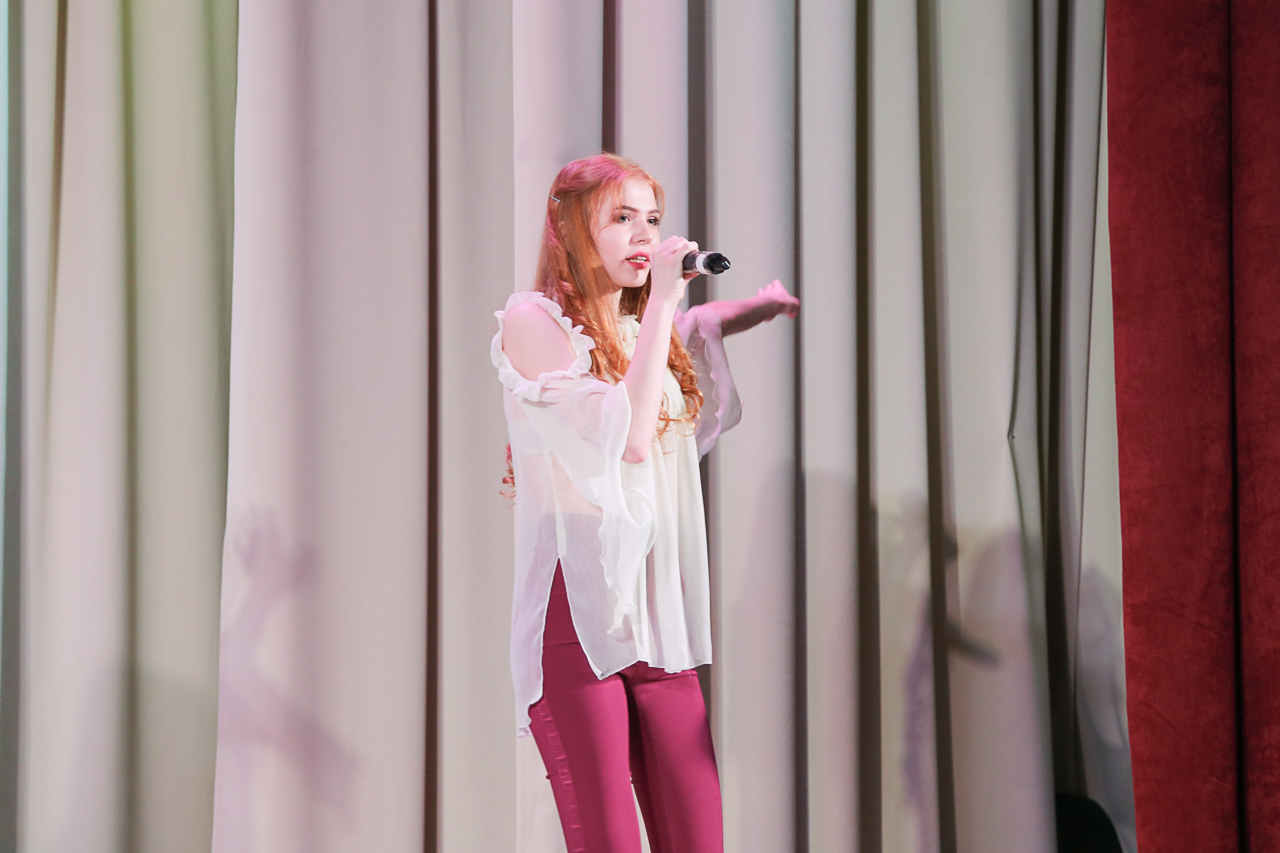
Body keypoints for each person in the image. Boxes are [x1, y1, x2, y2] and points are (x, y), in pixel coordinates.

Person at [491, 153, 799, 853]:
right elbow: (628, 439)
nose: (644, 234)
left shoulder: (637, 330)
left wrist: (758, 304)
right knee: (608, 839)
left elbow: (697, 324)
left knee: (698, 835)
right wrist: (663, 300)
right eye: (622, 217)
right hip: (577, 609)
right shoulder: (532, 320)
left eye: (652, 219)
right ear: (573, 226)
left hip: (657, 609)